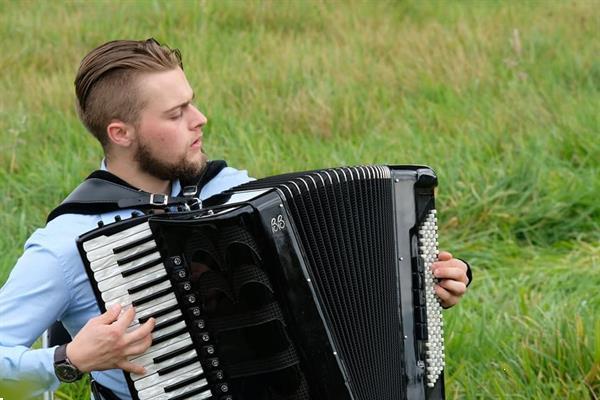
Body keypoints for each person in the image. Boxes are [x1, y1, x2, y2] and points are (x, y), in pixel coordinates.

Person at [0, 38, 471, 399]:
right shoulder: (67, 243)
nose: (199, 119)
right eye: (176, 113)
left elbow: (314, 289)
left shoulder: (230, 193)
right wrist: (69, 360)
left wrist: (417, 283)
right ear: (120, 133)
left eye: (193, 102)